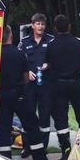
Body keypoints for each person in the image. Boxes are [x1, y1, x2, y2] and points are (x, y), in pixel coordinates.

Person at [0, 25, 49, 160]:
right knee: (31, 124)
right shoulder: (18, 54)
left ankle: (5, 159)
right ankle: (40, 158)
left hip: (1, 96)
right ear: (11, 36)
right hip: (18, 95)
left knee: (3, 127)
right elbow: (25, 75)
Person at [47, 14, 80, 160]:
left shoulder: (51, 45)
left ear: (55, 29)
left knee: (61, 118)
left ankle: (66, 150)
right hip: (75, 83)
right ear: (69, 27)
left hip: (58, 84)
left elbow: (49, 63)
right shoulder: (78, 43)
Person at [18, 13, 55, 150]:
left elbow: (57, 59)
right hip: (30, 86)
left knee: (45, 116)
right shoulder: (24, 42)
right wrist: (27, 72)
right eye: (38, 24)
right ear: (32, 25)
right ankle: (26, 147)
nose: (40, 26)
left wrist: (49, 64)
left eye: (43, 24)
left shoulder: (51, 40)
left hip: (46, 85)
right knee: (28, 115)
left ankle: (42, 148)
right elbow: (18, 61)